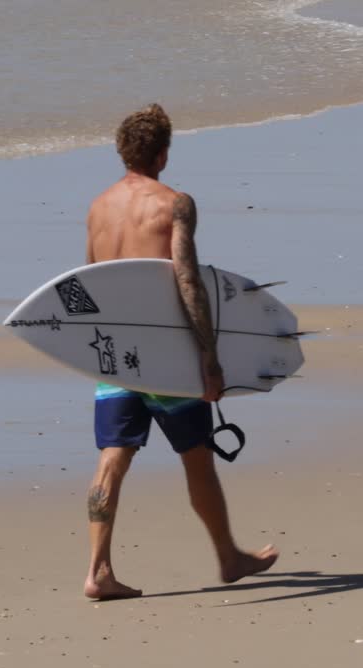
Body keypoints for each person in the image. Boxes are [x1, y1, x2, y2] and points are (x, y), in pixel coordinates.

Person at [82, 103, 278, 600]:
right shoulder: (175, 204)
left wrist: (96, 353)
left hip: (117, 352)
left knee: (112, 457)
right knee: (196, 456)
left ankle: (98, 571)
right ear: (163, 154)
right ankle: (228, 556)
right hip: (165, 354)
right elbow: (187, 279)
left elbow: (89, 281)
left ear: (122, 150)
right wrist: (209, 358)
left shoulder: (98, 207)